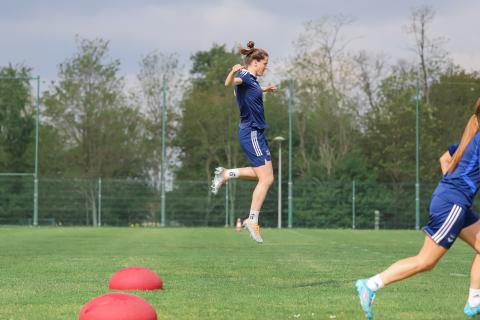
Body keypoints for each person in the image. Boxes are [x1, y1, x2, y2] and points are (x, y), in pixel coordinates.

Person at [356, 98, 480, 319]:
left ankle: (474, 302)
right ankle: (370, 285)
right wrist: (454, 190)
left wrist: (451, 185)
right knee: (426, 261)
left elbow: (444, 158)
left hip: (452, 200)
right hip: (453, 203)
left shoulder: (471, 136)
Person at [210, 41, 277, 244]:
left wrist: (265, 89)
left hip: (255, 133)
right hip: (252, 133)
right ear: (255, 62)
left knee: (263, 176)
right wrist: (233, 72)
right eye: (265, 63)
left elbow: (242, 92)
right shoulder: (245, 76)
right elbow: (231, 84)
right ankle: (252, 220)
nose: (266, 67)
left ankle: (226, 174)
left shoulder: (253, 81)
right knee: (266, 179)